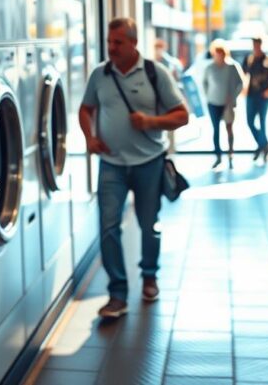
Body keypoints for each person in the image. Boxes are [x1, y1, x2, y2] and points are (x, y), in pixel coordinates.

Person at [79, 18, 189, 318]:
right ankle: (117, 294)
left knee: (148, 224)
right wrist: (90, 137)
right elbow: (85, 108)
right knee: (108, 226)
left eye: (118, 42)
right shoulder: (100, 74)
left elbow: (182, 115)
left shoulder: (156, 73)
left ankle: (150, 276)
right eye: (109, 42)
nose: (111, 48)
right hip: (111, 164)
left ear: (133, 43)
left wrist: (151, 122)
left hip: (149, 162)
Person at [203, 39, 244, 168]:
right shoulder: (209, 67)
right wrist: (208, 95)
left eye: (221, 53)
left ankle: (230, 153)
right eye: (216, 53)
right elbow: (204, 83)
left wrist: (232, 97)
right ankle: (218, 156)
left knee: (229, 129)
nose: (219, 55)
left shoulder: (232, 67)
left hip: (228, 104)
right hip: (213, 102)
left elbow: (240, 83)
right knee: (215, 130)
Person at [244, 37, 268, 164]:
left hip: (264, 95)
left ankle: (261, 147)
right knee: (250, 122)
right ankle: (264, 145)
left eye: (257, 45)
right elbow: (244, 74)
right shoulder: (249, 59)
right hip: (251, 95)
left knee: (262, 121)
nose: (256, 47)